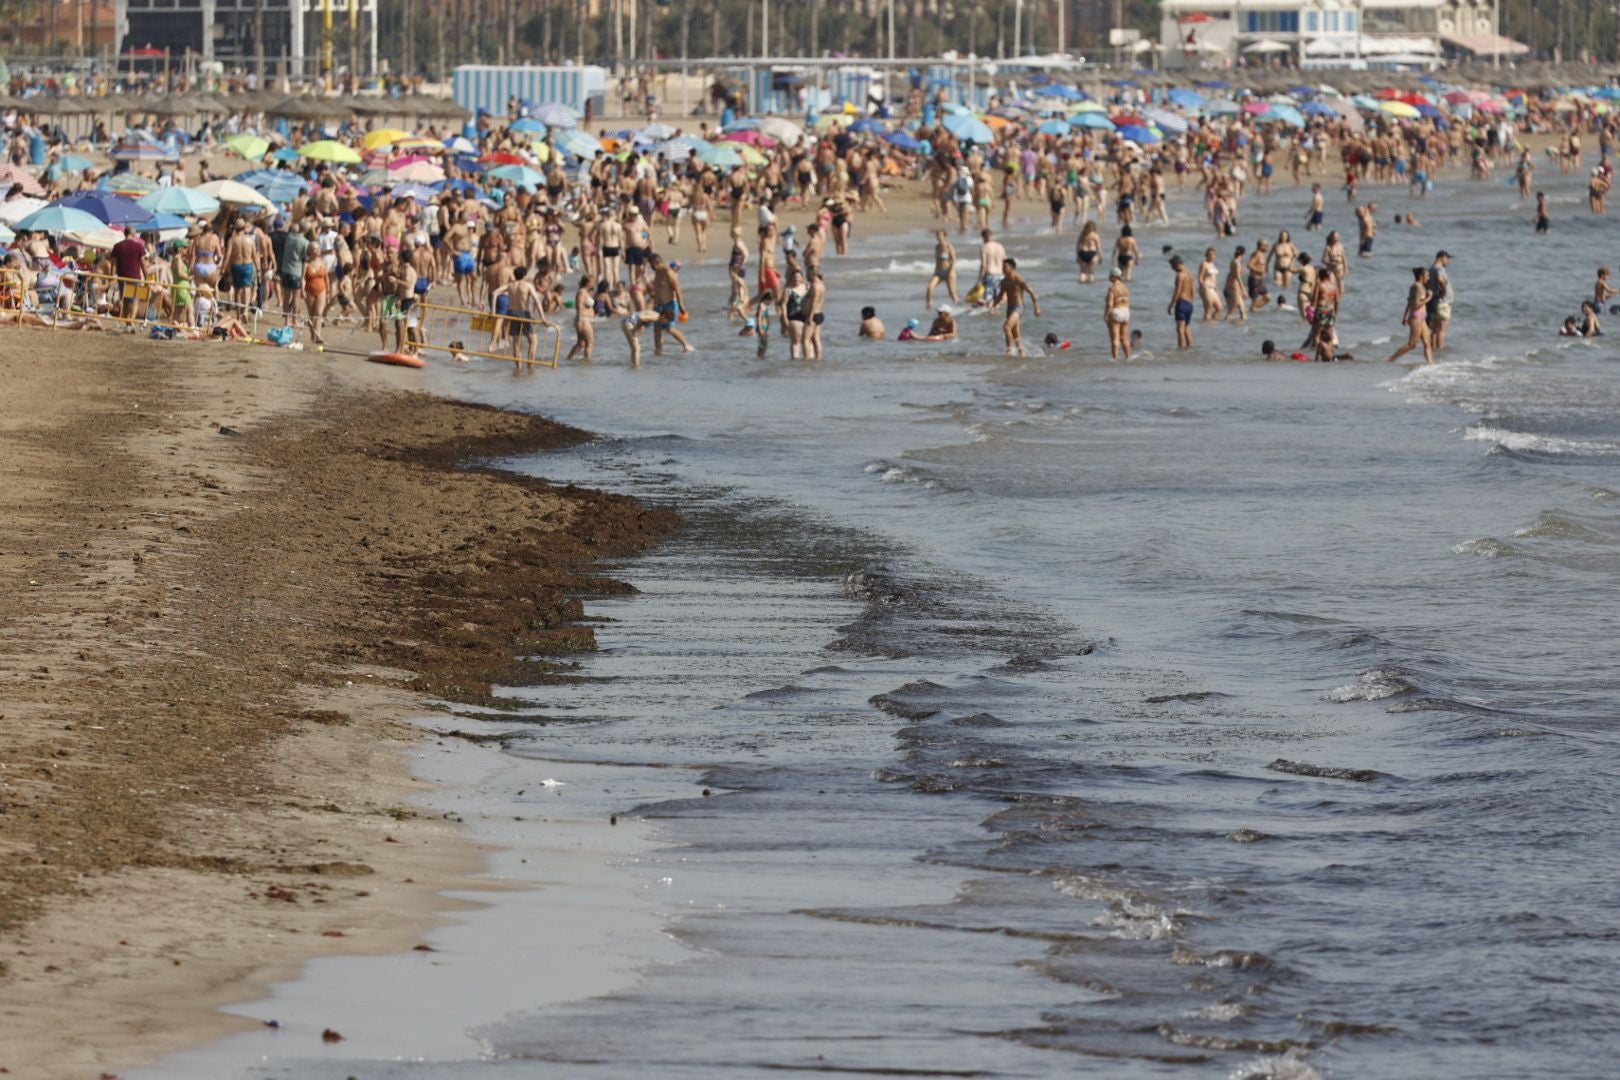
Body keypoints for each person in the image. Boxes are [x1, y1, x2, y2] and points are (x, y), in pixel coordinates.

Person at [1385, 267, 1434, 364]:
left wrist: (1405, 316)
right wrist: (1429, 298)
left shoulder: (1421, 287)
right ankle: (1390, 360)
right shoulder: (1416, 287)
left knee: (1427, 342)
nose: (1428, 278)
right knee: (1412, 344)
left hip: (1421, 317)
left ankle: (1430, 364)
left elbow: (1409, 302)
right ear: (1421, 276)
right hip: (1416, 317)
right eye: (1427, 276)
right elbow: (1415, 305)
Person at [996, 258, 1040, 357]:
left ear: (1012, 267)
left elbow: (1031, 291)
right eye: (1002, 267)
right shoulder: (1004, 281)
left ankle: (1009, 351)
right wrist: (993, 306)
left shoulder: (1018, 278)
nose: (1003, 269)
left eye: (1005, 267)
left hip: (1018, 307)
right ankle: (1021, 354)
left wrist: (1036, 306)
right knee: (1016, 334)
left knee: (1006, 327)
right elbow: (1000, 296)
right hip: (1009, 309)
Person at [110, 226, 145, 321]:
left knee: (125, 300)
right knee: (135, 300)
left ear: (124, 233)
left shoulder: (117, 246)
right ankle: (131, 321)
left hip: (122, 276)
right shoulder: (139, 246)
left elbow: (113, 264)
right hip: (134, 277)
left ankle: (127, 322)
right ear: (133, 234)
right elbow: (143, 263)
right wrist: (146, 277)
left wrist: (111, 277)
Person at [1168, 254, 1196, 350]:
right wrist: (1191, 301)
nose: (1172, 268)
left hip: (1182, 303)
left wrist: (1171, 305)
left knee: (1180, 329)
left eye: (1172, 266)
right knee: (1187, 327)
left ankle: (1181, 349)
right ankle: (1190, 348)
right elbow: (1193, 291)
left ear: (1176, 264)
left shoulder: (1180, 275)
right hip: (1190, 303)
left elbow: (1178, 291)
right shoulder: (1190, 274)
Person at [1426, 251, 1452, 350]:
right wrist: (1444, 290)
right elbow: (1440, 279)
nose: (1448, 261)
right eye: (1447, 259)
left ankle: (1433, 350)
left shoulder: (1431, 269)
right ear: (1442, 257)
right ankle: (1440, 351)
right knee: (1442, 329)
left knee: (1435, 330)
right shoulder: (1439, 268)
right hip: (1443, 301)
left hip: (1435, 301)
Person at [926, 229, 958, 307]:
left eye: (939, 235)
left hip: (948, 271)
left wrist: (951, 272)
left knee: (952, 293)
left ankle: (960, 306)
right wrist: (935, 272)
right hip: (939, 272)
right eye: (937, 235)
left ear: (944, 236)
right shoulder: (936, 247)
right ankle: (929, 304)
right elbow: (937, 261)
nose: (937, 236)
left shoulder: (949, 246)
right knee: (930, 287)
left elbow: (954, 260)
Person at [1105, 268, 1131, 361]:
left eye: (1110, 275)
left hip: (1116, 311)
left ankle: (1115, 358)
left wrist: (1106, 315)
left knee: (1115, 338)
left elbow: (1110, 304)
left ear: (1114, 277)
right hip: (1126, 312)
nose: (1109, 277)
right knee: (1124, 337)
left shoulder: (1112, 288)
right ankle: (1128, 357)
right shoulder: (1125, 287)